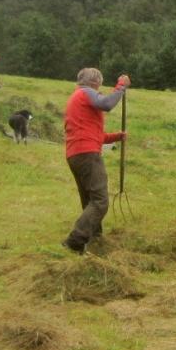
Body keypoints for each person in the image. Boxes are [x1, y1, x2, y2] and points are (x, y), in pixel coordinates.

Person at [61, 68, 129, 254]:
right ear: (95, 82)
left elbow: (92, 133)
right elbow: (106, 104)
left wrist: (116, 137)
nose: (100, 88)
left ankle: (94, 237)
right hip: (87, 154)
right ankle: (75, 240)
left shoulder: (77, 97)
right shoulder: (85, 92)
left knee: (90, 199)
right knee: (100, 201)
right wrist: (120, 87)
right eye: (100, 84)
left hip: (76, 153)